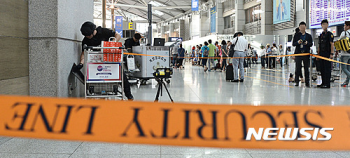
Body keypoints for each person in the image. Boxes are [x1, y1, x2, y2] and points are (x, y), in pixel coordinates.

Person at [76, 21, 134, 100]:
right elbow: (83, 53)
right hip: (97, 63)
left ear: (93, 31)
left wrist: (113, 43)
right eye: (85, 35)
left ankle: (129, 95)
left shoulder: (104, 31)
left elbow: (118, 35)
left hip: (111, 60)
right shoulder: (86, 40)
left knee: (121, 76)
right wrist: (81, 63)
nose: (87, 37)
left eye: (88, 35)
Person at [292, 21, 313, 87]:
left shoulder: (308, 36)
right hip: (298, 53)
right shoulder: (296, 35)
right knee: (298, 68)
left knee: (306, 68)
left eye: (303, 27)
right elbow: (293, 44)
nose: (302, 28)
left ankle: (307, 82)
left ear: (305, 27)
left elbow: (311, 44)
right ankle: (297, 81)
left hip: (306, 53)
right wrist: (298, 42)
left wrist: (307, 43)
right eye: (301, 27)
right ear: (299, 27)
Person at [317, 19, 334, 88]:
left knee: (327, 69)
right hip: (321, 54)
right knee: (322, 69)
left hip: (327, 53)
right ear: (321, 25)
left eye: (326, 24)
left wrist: (332, 53)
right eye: (323, 24)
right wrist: (318, 55)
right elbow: (319, 46)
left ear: (327, 25)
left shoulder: (330, 34)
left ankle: (327, 84)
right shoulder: (321, 35)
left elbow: (332, 44)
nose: (324, 26)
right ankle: (323, 82)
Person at [339, 21, 350, 87]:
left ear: (348, 26)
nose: (344, 27)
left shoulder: (344, 33)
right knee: (348, 69)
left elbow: (340, 42)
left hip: (344, 53)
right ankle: (346, 82)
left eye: (345, 25)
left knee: (344, 68)